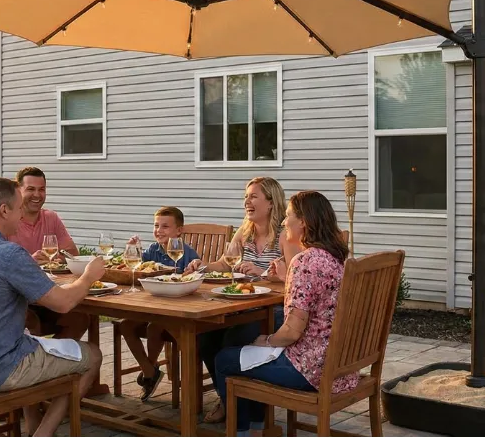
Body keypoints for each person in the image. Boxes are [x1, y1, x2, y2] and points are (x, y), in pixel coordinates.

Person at [0, 177, 105, 437]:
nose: (22, 215)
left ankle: (34, 423)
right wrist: (88, 276)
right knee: (92, 355)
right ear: (4, 210)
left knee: (33, 340)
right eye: (19, 209)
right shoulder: (8, 253)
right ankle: (42, 434)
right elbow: (63, 303)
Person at [214, 191, 358, 436]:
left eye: (288, 216)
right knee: (245, 346)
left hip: (310, 370)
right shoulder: (335, 258)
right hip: (341, 368)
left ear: (303, 222)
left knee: (225, 359)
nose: (283, 221)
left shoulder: (305, 262)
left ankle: (243, 432)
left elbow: (291, 332)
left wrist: (267, 340)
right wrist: (287, 277)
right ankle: (258, 428)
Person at [184, 176, 292, 423]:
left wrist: (262, 273)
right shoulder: (245, 232)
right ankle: (228, 399)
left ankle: (247, 410)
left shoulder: (285, 236)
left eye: (253, 196)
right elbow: (225, 264)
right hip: (245, 306)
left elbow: (296, 277)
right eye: (246, 197)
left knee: (233, 339)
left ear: (271, 202)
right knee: (205, 336)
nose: (247, 202)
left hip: (276, 309)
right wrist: (202, 265)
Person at [121, 207, 199, 401]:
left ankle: (149, 371)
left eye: (165, 226)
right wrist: (131, 250)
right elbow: (134, 269)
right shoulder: (152, 250)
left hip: (176, 309)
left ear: (179, 231)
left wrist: (192, 271)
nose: (159, 230)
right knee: (125, 325)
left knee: (154, 327)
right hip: (152, 305)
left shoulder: (186, 253)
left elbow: (197, 276)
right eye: (156, 226)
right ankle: (149, 370)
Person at [8, 166, 89, 341]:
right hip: (20, 299)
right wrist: (30, 261)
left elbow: (72, 254)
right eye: (31, 189)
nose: (37, 195)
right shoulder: (9, 221)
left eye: (42, 189)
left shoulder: (51, 218)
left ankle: (53, 353)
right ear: (18, 190)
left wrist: (59, 257)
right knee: (27, 318)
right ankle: (35, 354)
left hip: (50, 293)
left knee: (80, 318)